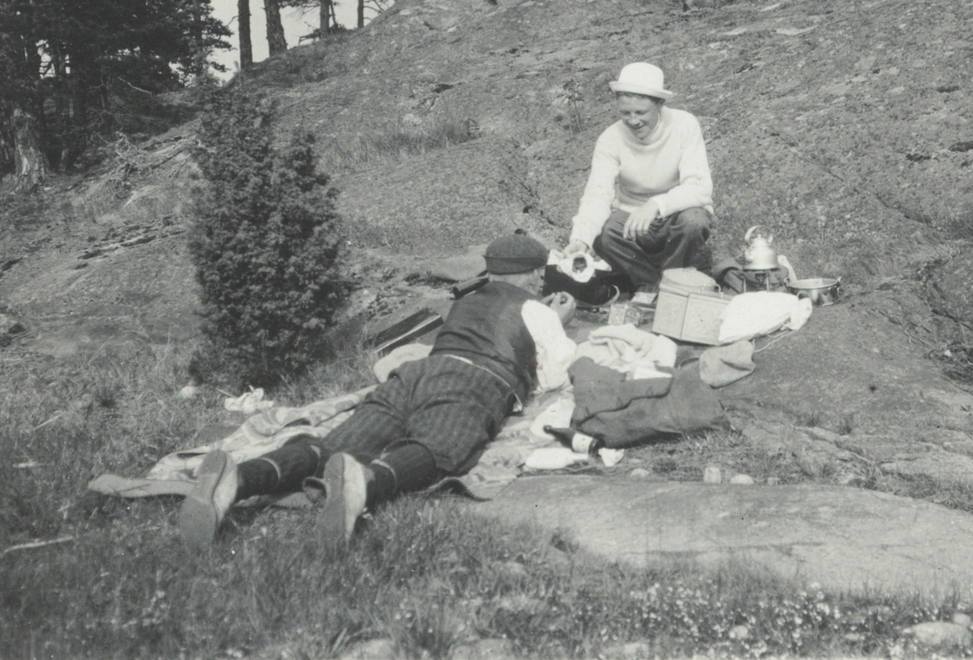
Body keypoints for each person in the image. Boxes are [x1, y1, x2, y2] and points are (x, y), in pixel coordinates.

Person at [179, 234, 577, 550]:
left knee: (336, 444)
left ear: (491, 273)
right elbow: (556, 375)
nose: (541, 282)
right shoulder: (537, 309)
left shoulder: (468, 301)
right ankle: (363, 487)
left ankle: (243, 477)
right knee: (442, 446)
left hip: (416, 373)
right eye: (540, 275)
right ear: (532, 275)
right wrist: (559, 321)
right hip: (473, 380)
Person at [562, 62, 713, 292]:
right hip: (631, 221)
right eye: (625, 113)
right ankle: (652, 284)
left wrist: (656, 204)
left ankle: (674, 284)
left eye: (641, 112)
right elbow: (597, 194)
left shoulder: (684, 125)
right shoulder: (609, 139)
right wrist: (580, 238)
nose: (633, 121)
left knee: (694, 220)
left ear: (659, 104)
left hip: (673, 215)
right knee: (602, 234)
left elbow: (699, 188)